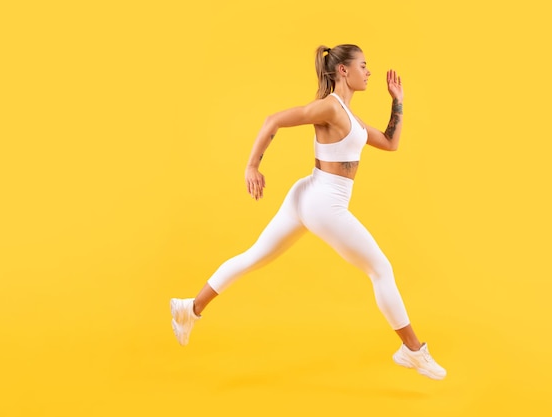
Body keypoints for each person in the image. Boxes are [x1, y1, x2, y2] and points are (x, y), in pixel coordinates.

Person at [170, 44, 446, 380]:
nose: (369, 71)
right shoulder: (330, 107)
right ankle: (413, 350)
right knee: (381, 269)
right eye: (363, 65)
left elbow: (390, 142)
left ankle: (190, 309)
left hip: (308, 194)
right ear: (343, 70)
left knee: (253, 256)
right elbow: (274, 120)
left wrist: (397, 100)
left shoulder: (348, 114)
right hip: (323, 202)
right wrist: (251, 166)